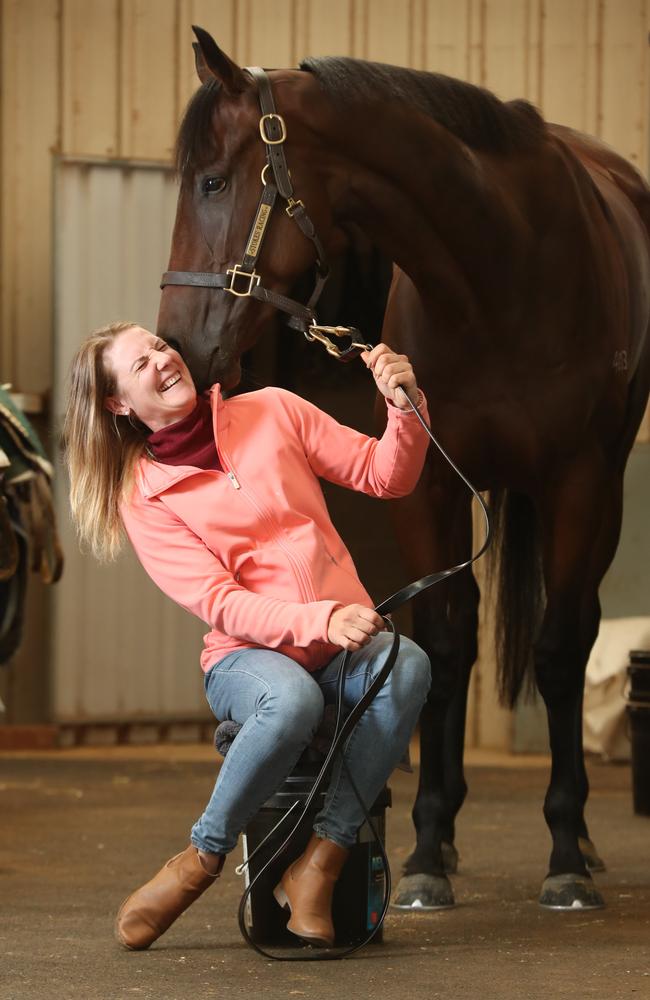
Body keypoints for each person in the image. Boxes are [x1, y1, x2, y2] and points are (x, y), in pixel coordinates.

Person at [63, 321, 432, 951]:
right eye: (139, 363)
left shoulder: (272, 410)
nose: (161, 359)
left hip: (338, 642)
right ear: (117, 403)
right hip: (246, 658)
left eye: (159, 346)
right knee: (291, 699)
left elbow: (383, 476)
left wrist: (407, 409)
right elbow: (220, 602)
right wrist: (319, 619)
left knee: (408, 663)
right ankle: (199, 861)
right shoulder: (144, 496)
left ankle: (320, 864)